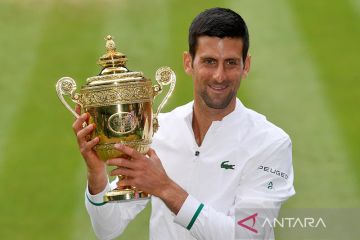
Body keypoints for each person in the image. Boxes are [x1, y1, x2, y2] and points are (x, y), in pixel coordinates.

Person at [73, 7, 295, 240]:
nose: (219, 76)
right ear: (188, 63)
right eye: (209, 62)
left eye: (230, 63)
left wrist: (166, 188)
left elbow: (247, 236)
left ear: (246, 66)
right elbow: (108, 229)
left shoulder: (271, 144)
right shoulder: (158, 131)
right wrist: (96, 172)